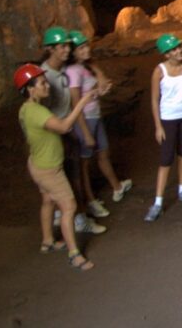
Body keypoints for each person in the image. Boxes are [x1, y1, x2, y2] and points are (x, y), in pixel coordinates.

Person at [15, 63, 98, 271]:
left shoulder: (27, 109)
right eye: (42, 83)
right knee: (68, 206)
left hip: (38, 164)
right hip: (49, 170)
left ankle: (48, 241)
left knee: (48, 201)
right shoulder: (36, 111)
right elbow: (63, 127)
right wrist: (82, 102)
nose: (47, 86)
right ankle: (74, 255)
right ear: (30, 89)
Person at [39, 26, 106, 236]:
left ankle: (67, 215)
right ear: (50, 49)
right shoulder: (45, 76)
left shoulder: (62, 70)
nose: (67, 50)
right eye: (62, 46)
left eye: (68, 45)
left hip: (67, 130)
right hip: (56, 133)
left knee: (70, 176)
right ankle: (78, 219)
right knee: (71, 178)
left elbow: (86, 63)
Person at [67, 30, 132, 218]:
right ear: (74, 52)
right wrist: (85, 133)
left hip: (95, 116)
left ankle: (117, 187)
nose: (87, 49)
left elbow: (100, 84)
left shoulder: (86, 67)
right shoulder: (73, 72)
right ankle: (90, 200)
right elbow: (75, 104)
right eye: (81, 48)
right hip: (85, 120)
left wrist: (98, 80)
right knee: (84, 164)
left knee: (104, 153)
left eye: (87, 46)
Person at [145, 33, 182, 222]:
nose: (179, 51)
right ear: (166, 54)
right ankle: (158, 202)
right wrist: (158, 126)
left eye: (179, 47)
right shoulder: (159, 71)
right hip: (168, 117)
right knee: (166, 158)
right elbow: (154, 100)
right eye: (174, 49)